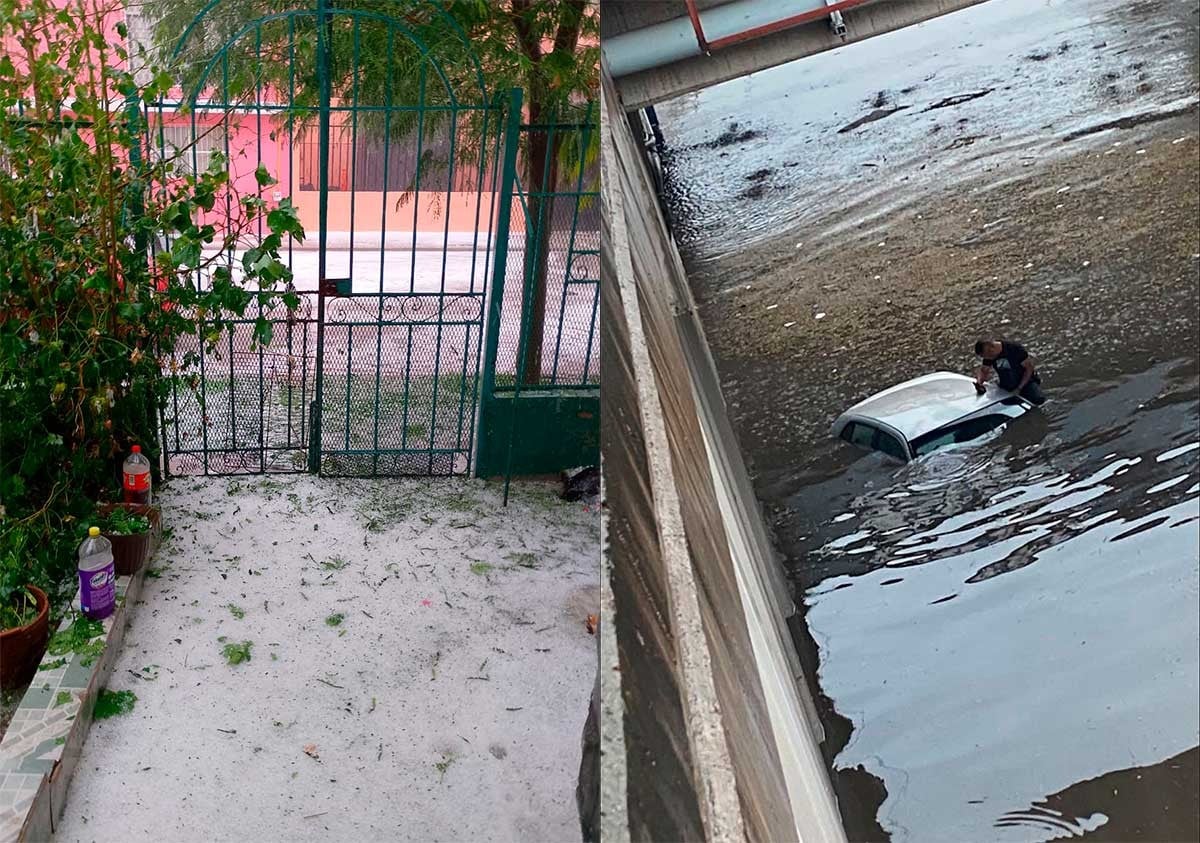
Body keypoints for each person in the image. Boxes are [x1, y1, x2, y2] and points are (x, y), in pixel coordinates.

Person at [973, 338, 1045, 405]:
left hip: (1026, 381)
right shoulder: (988, 355)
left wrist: (1019, 388)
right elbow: (984, 370)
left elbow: (1029, 368)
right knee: (1004, 402)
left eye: (988, 356)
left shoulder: (1014, 349)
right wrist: (979, 382)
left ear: (992, 349)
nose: (988, 358)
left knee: (1038, 399)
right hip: (1007, 383)